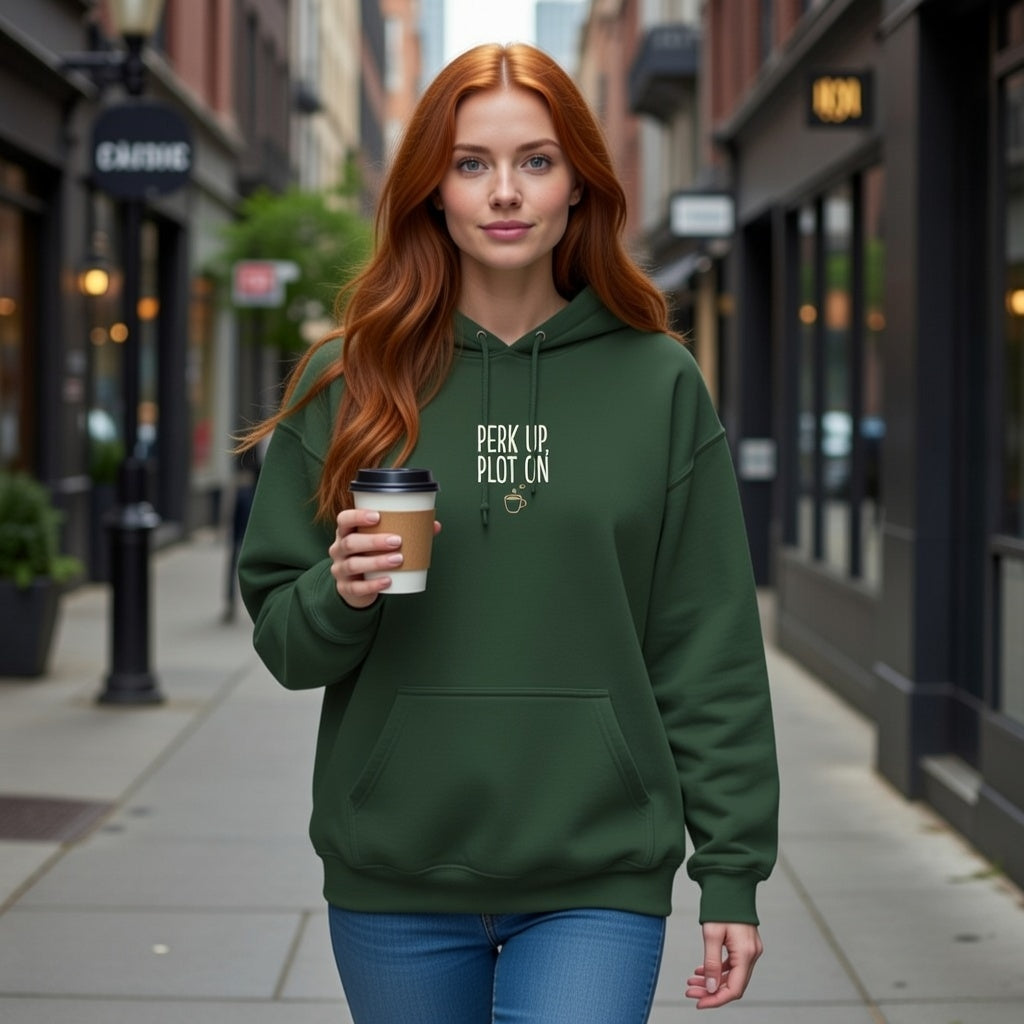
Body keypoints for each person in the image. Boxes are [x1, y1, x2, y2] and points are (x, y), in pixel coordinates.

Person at [237, 42, 779, 1024]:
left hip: (597, 871)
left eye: (535, 160)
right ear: (431, 190)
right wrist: (339, 591)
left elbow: (708, 646)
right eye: (470, 163)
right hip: (395, 870)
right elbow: (285, 644)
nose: (504, 191)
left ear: (580, 184)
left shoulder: (657, 381)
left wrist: (732, 870)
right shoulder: (348, 379)